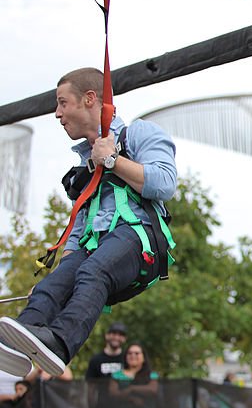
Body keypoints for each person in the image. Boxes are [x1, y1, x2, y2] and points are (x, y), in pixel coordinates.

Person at [0, 67, 176, 379]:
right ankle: (20, 338)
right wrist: (59, 285)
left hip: (138, 240)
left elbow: (165, 183)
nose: (57, 113)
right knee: (52, 284)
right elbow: (79, 229)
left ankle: (60, 344)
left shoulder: (139, 134)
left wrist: (113, 161)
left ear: (89, 99)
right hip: (97, 247)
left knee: (94, 269)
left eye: (62, 103)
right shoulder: (84, 166)